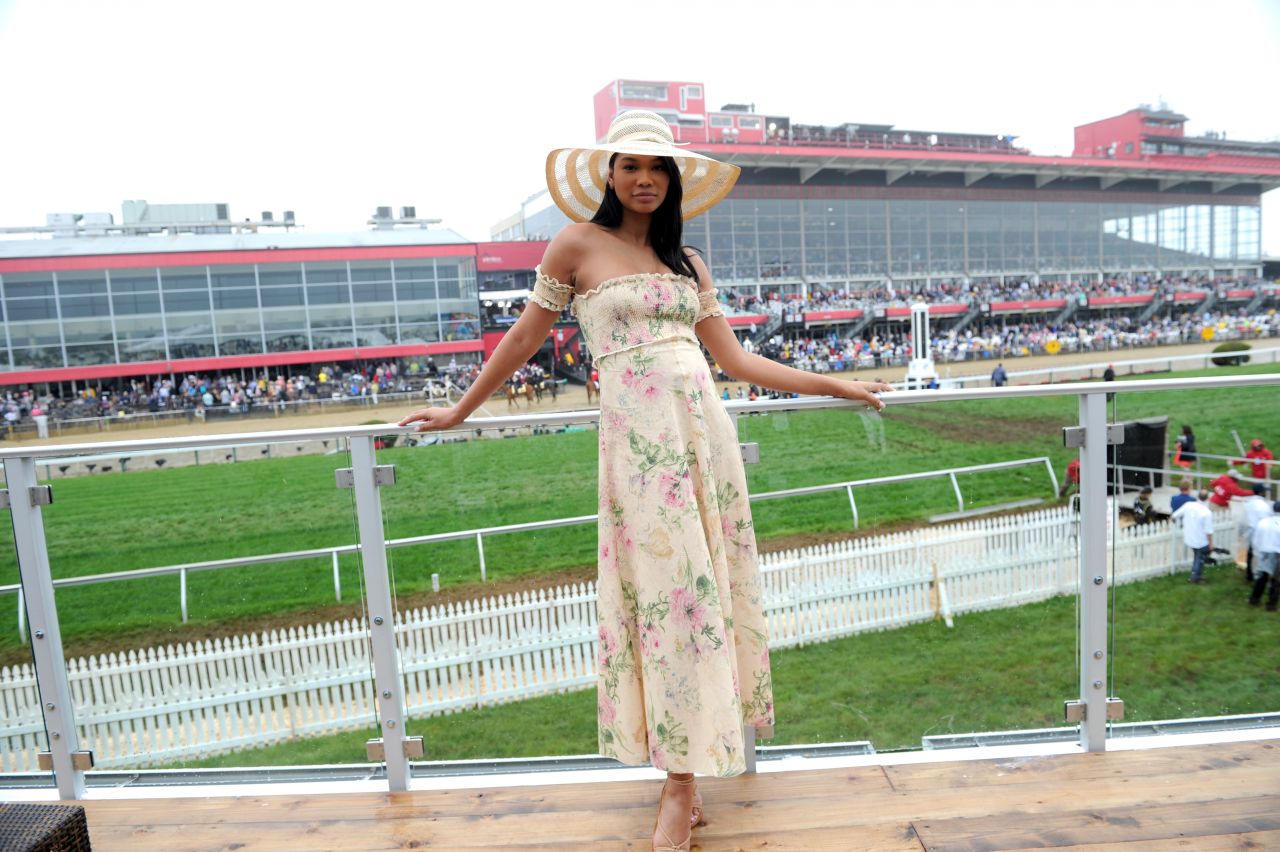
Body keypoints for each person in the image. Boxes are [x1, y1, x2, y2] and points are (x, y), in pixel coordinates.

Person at [397, 109, 891, 851]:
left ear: (673, 180)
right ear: (610, 173)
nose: (646, 179)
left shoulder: (687, 264)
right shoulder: (575, 246)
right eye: (632, 166)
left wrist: (835, 385)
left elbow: (738, 363)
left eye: (659, 168)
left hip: (704, 445)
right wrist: (462, 411)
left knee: (702, 596)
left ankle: (682, 783)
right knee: (665, 602)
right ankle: (679, 780)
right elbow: (526, 338)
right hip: (639, 455)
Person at [1171, 491, 1215, 584]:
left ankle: (1195, 574)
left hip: (1189, 537)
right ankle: (1195, 577)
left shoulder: (1188, 505)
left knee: (1197, 557)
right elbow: (1208, 531)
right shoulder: (1207, 512)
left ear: (1197, 496)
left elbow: (1174, 516)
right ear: (1208, 499)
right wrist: (1211, 544)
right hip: (1201, 541)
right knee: (1199, 559)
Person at [1249, 503, 1280, 610]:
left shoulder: (1263, 522)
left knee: (1262, 577)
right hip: (1277, 553)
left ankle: (1254, 599)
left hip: (1263, 552)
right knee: (1276, 580)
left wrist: (1256, 552)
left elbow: (1255, 539)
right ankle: (1271, 604)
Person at [1240, 482, 1273, 583]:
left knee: (1250, 553)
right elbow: (1266, 520)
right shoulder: (1263, 506)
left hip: (1250, 530)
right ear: (1261, 492)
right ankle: (1259, 575)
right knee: (1260, 554)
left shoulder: (1248, 502)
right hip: (1259, 532)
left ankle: (1249, 574)